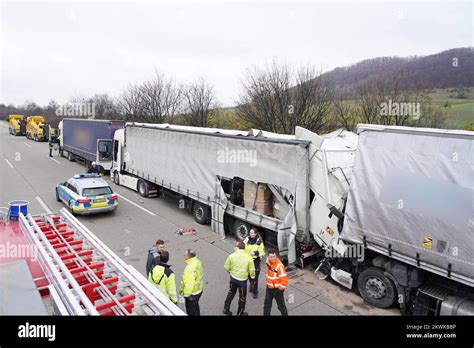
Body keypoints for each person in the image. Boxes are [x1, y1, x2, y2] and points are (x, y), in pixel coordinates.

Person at [223, 241, 256, 316]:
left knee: (231, 292)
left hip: (233, 279)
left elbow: (226, 266)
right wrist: (252, 280)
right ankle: (240, 313)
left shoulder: (231, 256)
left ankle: (226, 309)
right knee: (242, 298)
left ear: (237, 248)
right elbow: (252, 271)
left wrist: (230, 272)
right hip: (242, 282)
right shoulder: (249, 258)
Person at [263, 249, 288, 316]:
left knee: (281, 307)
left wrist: (279, 290)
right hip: (269, 288)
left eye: (274, 256)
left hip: (277, 290)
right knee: (266, 306)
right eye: (271, 257)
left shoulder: (279, 267)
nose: (273, 258)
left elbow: (284, 281)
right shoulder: (267, 261)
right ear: (268, 257)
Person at [179, 249, 204, 316]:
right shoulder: (198, 262)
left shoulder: (189, 269)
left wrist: (186, 295)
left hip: (192, 293)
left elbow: (189, 284)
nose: (183, 256)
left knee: (191, 311)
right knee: (195, 306)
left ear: (188, 257)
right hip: (199, 290)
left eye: (184, 255)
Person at [244, 228, 265, 298]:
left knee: (255, 277)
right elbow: (243, 246)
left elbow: (262, 253)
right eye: (250, 232)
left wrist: (256, 253)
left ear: (256, 234)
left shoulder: (259, 242)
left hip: (256, 261)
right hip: (248, 260)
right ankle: (252, 284)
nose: (250, 234)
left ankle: (255, 291)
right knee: (249, 275)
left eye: (252, 233)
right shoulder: (247, 239)